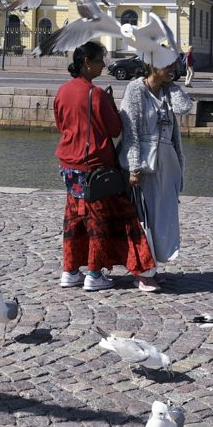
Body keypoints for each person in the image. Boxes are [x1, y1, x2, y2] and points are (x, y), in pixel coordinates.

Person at [53, 41, 157, 293]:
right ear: (87, 62)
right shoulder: (96, 94)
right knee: (101, 221)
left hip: (69, 166)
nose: (104, 65)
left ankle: (70, 271)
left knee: (74, 220)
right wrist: (110, 104)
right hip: (96, 167)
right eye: (100, 60)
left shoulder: (63, 91)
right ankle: (95, 274)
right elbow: (114, 129)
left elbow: (60, 124)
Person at [119, 56, 194, 275]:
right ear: (153, 64)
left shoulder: (167, 91)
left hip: (168, 164)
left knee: (164, 217)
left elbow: (184, 107)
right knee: (145, 217)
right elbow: (130, 131)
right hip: (145, 165)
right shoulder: (135, 90)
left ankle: (152, 265)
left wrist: (171, 84)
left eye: (174, 64)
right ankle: (143, 270)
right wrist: (133, 167)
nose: (173, 68)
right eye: (167, 64)